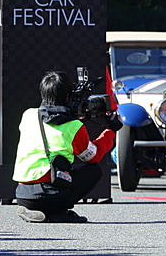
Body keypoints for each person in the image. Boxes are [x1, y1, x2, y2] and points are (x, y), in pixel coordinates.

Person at [13, 71, 121, 223]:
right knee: (93, 171)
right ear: (67, 97)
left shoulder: (28, 115)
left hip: (22, 192)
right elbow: (92, 157)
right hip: (50, 193)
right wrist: (110, 131)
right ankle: (58, 211)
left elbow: (50, 120)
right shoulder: (73, 126)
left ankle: (32, 208)